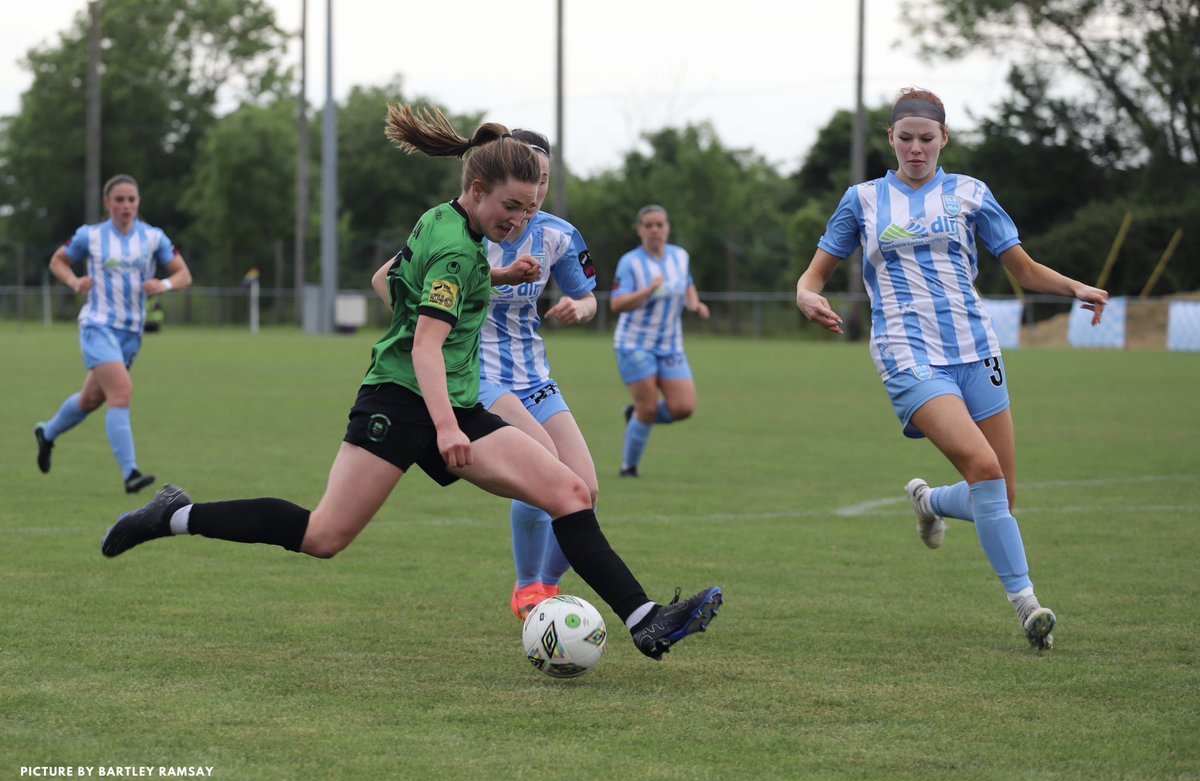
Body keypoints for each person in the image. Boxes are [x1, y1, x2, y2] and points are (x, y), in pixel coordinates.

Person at [103, 105, 722, 661]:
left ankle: (646, 619)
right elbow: (426, 345)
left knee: (569, 491)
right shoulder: (458, 249)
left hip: (452, 398)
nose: (520, 221)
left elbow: (391, 283)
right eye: (511, 208)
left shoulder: (447, 223)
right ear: (478, 190)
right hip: (400, 404)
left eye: (531, 210)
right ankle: (174, 516)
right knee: (323, 535)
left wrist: (498, 281)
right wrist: (449, 427)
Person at [795, 87, 1108, 650]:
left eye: (927, 138)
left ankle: (930, 501)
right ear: (891, 139)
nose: (916, 148)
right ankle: (1028, 606)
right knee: (984, 471)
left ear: (944, 140)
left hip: (977, 351)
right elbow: (815, 273)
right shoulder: (862, 200)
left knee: (1002, 495)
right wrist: (805, 294)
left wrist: (1076, 287)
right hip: (907, 354)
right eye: (906, 138)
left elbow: (1024, 268)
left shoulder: (971, 194)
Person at [476, 129, 600, 619]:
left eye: (545, 179)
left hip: (535, 375)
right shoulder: (471, 226)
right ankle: (527, 588)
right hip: (479, 372)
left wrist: (579, 308)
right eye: (530, 178)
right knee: (541, 465)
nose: (537, 190)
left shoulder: (559, 235)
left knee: (586, 490)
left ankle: (546, 589)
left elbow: (589, 297)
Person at [34, 174, 193, 493]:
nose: (125, 206)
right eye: (119, 200)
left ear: (138, 203)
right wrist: (74, 282)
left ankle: (47, 433)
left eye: (131, 200)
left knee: (91, 399)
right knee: (121, 392)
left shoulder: (152, 238)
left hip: (131, 334)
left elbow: (183, 274)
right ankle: (130, 472)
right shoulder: (90, 236)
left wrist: (162, 284)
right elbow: (58, 261)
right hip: (97, 325)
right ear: (107, 203)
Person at [610, 205, 709, 478]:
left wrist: (694, 304)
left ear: (667, 227)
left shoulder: (680, 256)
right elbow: (617, 304)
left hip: (671, 345)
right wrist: (648, 290)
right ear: (640, 230)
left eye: (660, 224)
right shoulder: (630, 262)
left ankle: (637, 416)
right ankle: (628, 468)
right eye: (649, 225)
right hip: (635, 345)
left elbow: (687, 282)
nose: (655, 230)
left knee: (683, 408)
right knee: (649, 407)